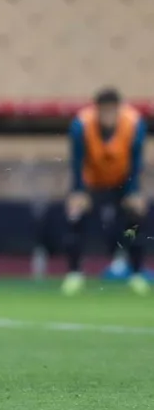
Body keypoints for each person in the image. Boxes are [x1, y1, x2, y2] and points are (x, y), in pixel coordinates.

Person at [62, 88, 148, 296]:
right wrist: (78, 191)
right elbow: (77, 160)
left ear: (119, 109)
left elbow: (136, 161)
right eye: (104, 111)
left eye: (112, 111)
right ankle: (75, 273)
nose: (108, 116)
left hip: (122, 182)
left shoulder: (134, 123)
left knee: (136, 217)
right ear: (96, 109)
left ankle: (135, 273)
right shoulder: (81, 124)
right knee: (75, 214)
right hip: (93, 183)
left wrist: (134, 191)